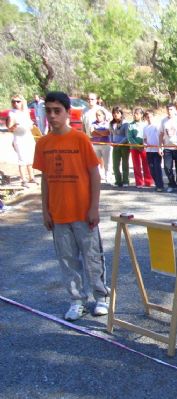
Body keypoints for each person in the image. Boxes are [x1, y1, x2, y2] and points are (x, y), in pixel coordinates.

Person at [33, 91, 110, 321]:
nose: (53, 116)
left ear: (67, 112)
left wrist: (94, 207)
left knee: (92, 257)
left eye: (58, 111)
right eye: (48, 111)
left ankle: (100, 297)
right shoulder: (44, 143)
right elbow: (45, 178)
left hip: (83, 212)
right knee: (67, 260)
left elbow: (94, 175)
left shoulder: (80, 139)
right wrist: (45, 210)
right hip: (59, 214)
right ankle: (77, 300)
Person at [7, 94, 37, 187]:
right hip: (19, 138)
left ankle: (32, 178)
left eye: (18, 101)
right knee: (22, 159)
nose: (16, 103)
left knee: (30, 158)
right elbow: (9, 128)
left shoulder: (25, 112)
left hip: (28, 137)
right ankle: (24, 180)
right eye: (13, 101)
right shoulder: (12, 113)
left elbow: (31, 126)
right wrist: (14, 126)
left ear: (22, 102)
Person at [159, 103, 177, 193]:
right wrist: (160, 147)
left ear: (175, 110)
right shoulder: (163, 121)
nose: (169, 111)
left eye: (171, 109)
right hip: (167, 148)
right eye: (168, 109)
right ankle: (171, 184)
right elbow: (161, 134)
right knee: (167, 167)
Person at [127, 107, 153, 188]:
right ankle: (139, 182)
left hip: (144, 147)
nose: (135, 115)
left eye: (137, 113)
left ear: (141, 115)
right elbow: (130, 137)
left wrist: (143, 145)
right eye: (134, 113)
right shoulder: (130, 125)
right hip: (134, 148)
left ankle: (148, 181)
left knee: (146, 164)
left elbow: (147, 136)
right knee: (136, 165)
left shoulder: (145, 124)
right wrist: (137, 146)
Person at [143, 110, 164, 192]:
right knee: (151, 169)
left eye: (150, 117)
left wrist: (160, 147)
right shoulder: (145, 128)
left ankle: (160, 185)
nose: (149, 119)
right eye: (147, 117)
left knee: (157, 168)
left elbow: (161, 136)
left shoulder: (157, 126)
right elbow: (144, 139)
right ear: (145, 118)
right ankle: (157, 183)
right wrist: (145, 143)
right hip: (149, 151)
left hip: (157, 150)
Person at [90, 109, 112, 183]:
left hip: (106, 145)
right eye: (96, 115)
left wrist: (96, 130)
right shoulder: (93, 123)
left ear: (103, 115)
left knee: (107, 162)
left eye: (99, 115)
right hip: (95, 145)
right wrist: (100, 132)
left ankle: (108, 178)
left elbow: (106, 133)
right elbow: (92, 133)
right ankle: (99, 177)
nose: (98, 117)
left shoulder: (107, 123)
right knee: (96, 162)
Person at [110, 107, 130, 187]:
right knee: (115, 165)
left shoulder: (126, 123)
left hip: (124, 146)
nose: (115, 114)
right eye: (114, 113)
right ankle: (118, 181)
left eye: (117, 113)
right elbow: (111, 134)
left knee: (125, 164)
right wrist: (112, 141)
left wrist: (119, 143)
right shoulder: (111, 123)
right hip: (115, 146)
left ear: (121, 114)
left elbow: (127, 136)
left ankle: (125, 181)